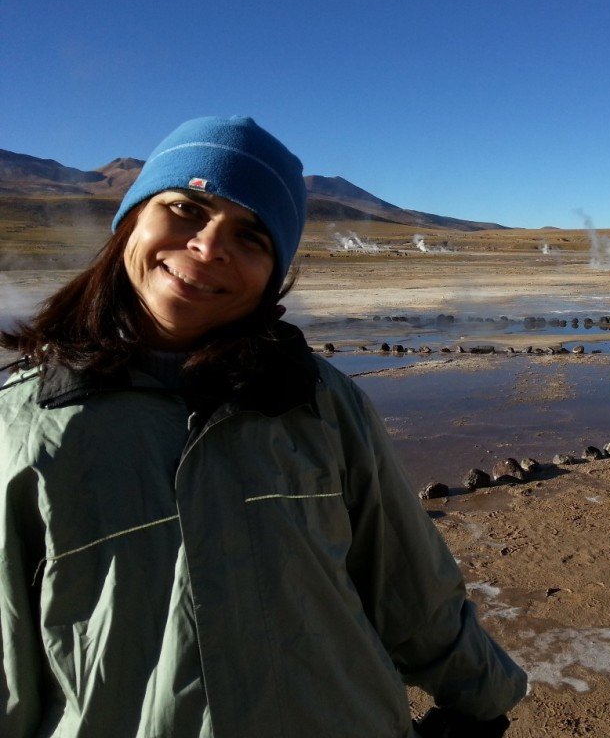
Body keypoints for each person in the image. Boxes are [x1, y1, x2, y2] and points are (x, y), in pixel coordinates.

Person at [0, 116, 527, 738]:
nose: (210, 246)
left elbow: (410, 583)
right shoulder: (22, 424)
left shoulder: (318, 401)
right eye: (185, 207)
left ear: (273, 274)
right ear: (131, 220)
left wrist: (481, 702)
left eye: (251, 236)